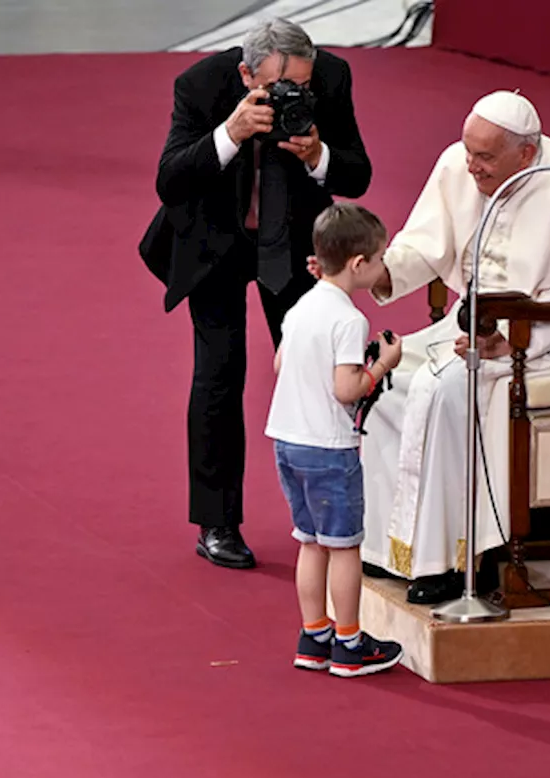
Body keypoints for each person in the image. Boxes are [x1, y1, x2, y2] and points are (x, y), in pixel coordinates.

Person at [357, 90, 550, 604]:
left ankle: (452, 561)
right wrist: (385, 271)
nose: (472, 167)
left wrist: (519, 338)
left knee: (446, 389)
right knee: (384, 380)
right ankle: (392, 546)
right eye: (469, 151)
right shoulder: (459, 162)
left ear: (527, 155)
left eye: (486, 158)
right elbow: (427, 241)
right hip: (474, 324)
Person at [139, 18, 371, 570]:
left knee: (324, 372)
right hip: (217, 243)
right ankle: (217, 521)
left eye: (304, 86)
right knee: (219, 372)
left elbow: (357, 174)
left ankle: (350, 513)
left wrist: (318, 155)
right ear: (247, 75)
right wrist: (232, 133)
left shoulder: (334, 77)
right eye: (280, 87)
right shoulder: (201, 85)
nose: (297, 95)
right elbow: (169, 179)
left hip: (292, 244)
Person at [267, 202, 405, 677]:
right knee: (345, 546)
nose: (385, 265)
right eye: (382, 257)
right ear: (358, 265)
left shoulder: (301, 306)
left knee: (309, 541)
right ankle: (349, 643)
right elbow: (346, 389)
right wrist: (383, 364)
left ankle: (313, 634)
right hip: (329, 445)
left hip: (287, 440)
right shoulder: (350, 320)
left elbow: (281, 365)